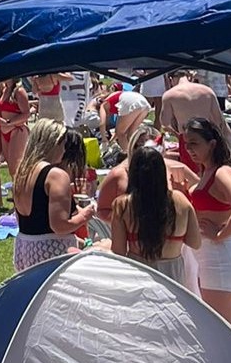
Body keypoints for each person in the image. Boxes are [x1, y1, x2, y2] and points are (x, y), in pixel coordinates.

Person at [180, 117, 231, 329]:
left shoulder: (223, 172)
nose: (189, 149)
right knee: (213, 329)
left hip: (221, 260)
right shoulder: (206, 172)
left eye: (194, 143)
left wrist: (221, 235)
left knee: (227, 331)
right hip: (207, 258)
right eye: (187, 144)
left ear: (212, 143)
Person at [11, 118, 95, 272]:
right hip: (50, 251)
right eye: (63, 144)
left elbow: (22, 219)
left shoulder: (22, 172)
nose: (64, 151)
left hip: (23, 248)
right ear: (53, 144)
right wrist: (86, 215)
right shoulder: (55, 175)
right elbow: (59, 226)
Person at [111, 145, 202, 280]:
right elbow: (196, 243)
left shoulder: (122, 205)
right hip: (173, 275)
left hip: (139, 274)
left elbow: (118, 251)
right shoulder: (181, 201)